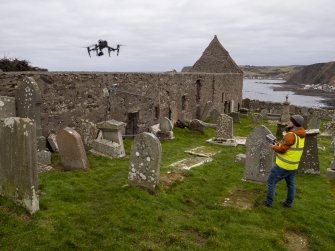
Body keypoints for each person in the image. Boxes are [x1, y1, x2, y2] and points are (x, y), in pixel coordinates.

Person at [263, 114, 306, 208]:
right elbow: (289, 147)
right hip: (293, 166)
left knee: (271, 182)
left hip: (283, 165)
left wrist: (274, 147)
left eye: (290, 121)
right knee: (291, 184)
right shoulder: (301, 135)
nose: (288, 122)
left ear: (295, 123)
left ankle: (268, 203)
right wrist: (278, 144)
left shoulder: (290, 135)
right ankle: (288, 203)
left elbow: (282, 150)